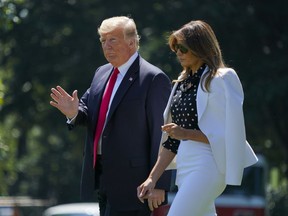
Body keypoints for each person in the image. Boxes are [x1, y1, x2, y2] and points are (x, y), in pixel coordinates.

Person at [50, 16, 172, 216]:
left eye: (112, 40)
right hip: (103, 178)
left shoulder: (153, 78)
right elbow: (87, 113)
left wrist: (159, 183)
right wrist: (73, 113)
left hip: (136, 183)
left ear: (131, 43)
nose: (107, 46)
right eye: (103, 41)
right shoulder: (101, 73)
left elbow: (164, 136)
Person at [137, 20, 258, 216]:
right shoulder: (180, 84)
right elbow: (171, 142)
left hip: (209, 164)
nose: (178, 52)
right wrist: (152, 178)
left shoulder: (221, 78)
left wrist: (185, 133)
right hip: (185, 167)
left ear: (200, 47)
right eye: (176, 47)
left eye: (183, 48)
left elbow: (229, 135)